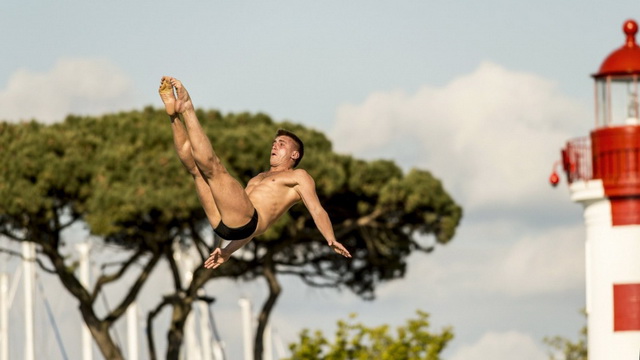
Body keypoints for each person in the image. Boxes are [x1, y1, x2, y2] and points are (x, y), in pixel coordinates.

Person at [158, 76, 352, 269]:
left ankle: (187, 108)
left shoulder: (298, 176)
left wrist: (330, 238)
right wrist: (226, 251)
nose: (274, 147)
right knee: (195, 169)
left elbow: (316, 210)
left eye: (281, 144)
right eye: (274, 143)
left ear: (294, 154)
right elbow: (244, 223)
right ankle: (173, 115)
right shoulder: (258, 177)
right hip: (222, 226)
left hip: (244, 224)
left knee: (214, 168)